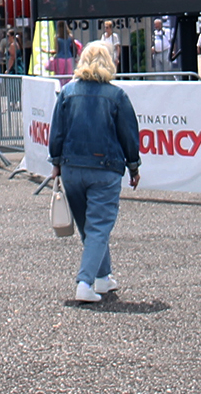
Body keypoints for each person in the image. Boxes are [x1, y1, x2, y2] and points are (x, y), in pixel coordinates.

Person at [47, 42, 140, 304]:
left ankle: (102, 276)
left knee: (90, 228)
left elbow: (57, 132)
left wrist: (56, 163)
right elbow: (129, 136)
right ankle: (85, 282)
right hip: (105, 167)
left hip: (71, 167)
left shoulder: (66, 92)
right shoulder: (117, 95)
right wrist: (133, 166)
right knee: (99, 226)